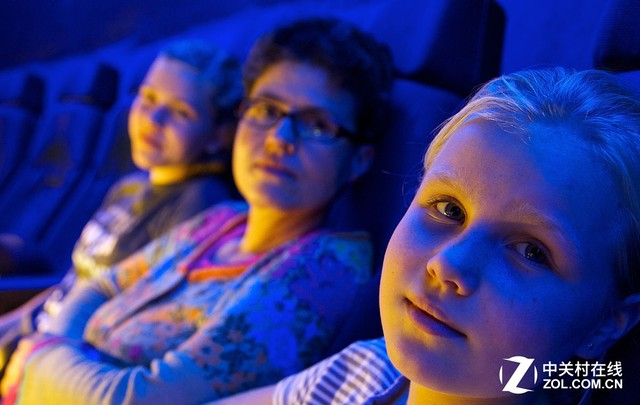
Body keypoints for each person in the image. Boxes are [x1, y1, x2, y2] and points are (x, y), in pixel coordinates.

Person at [0, 17, 394, 404]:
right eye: (266, 111)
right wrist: (54, 344)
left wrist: (41, 351)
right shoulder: (221, 220)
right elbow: (101, 286)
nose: (279, 139)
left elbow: (141, 400)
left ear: (360, 159)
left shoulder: (321, 271)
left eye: (318, 125)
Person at [211, 67, 640, 405]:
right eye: (449, 209)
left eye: (531, 251)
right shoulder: (360, 371)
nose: (448, 263)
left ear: (606, 325)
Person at [0, 37, 242, 373]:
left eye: (180, 112)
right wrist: (13, 324)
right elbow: (72, 284)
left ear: (219, 135)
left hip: (66, 362)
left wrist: (32, 349)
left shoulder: (202, 206)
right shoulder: (129, 186)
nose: (154, 119)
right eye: (148, 98)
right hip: (37, 338)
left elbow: (137, 328)